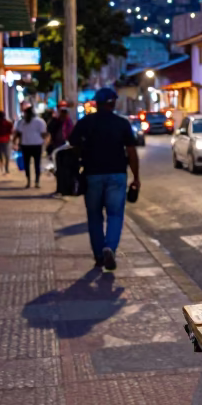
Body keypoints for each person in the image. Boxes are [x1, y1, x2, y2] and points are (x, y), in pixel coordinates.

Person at [68, 87, 141, 271]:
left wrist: (81, 160)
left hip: (92, 175)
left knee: (94, 217)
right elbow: (131, 152)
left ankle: (100, 256)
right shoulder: (122, 124)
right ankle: (110, 247)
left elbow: (73, 144)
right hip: (117, 174)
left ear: (97, 103)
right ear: (113, 103)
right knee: (115, 215)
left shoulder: (85, 122)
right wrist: (136, 177)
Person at [13, 105, 47, 188]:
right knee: (37, 164)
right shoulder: (40, 121)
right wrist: (45, 141)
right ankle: (37, 182)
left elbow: (18, 134)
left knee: (26, 164)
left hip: (26, 145)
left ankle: (28, 182)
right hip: (37, 145)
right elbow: (43, 134)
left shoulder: (22, 122)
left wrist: (14, 142)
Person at [48, 106, 76, 196]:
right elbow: (50, 130)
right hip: (57, 148)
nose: (63, 115)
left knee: (67, 170)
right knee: (58, 170)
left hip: (67, 148)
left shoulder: (69, 122)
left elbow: (71, 134)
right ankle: (60, 189)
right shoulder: (56, 121)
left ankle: (67, 189)